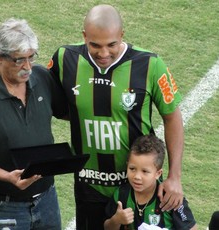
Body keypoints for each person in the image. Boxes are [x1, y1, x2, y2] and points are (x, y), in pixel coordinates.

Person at [48, 4, 184, 229]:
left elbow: (173, 118)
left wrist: (175, 176)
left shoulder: (150, 64)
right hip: (89, 184)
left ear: (122, 35)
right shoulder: (64, 59)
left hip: (137, 188)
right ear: (84, 37)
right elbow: (51, 103)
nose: (103, 53)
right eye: (95, 45)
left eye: (111, 44)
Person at [0, 18, 67, 230]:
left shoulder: (42, 78)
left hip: (46, 199)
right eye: (19, 60)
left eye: (31, 57)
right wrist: (8, 177)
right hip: (1, 207)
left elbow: (66, 113)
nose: (27, 67)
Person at [104, 134, 197, 230]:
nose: (137, 177)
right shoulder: (121, 194)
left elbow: (192, 228)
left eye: (144, 171)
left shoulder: (170, 197)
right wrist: (116, 220)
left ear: (158, 173)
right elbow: (107, 227)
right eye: (132, 169)